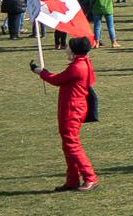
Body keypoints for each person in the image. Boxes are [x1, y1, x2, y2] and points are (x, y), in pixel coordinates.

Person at [33, 35, 98, 192]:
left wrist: (41, 72)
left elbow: (57, 80)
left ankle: (90, 177)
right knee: (68, 145)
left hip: (72, 109)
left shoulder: (77, 67)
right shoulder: (83, 63)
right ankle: (72, 179)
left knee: (72, 144)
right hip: (74, 107)